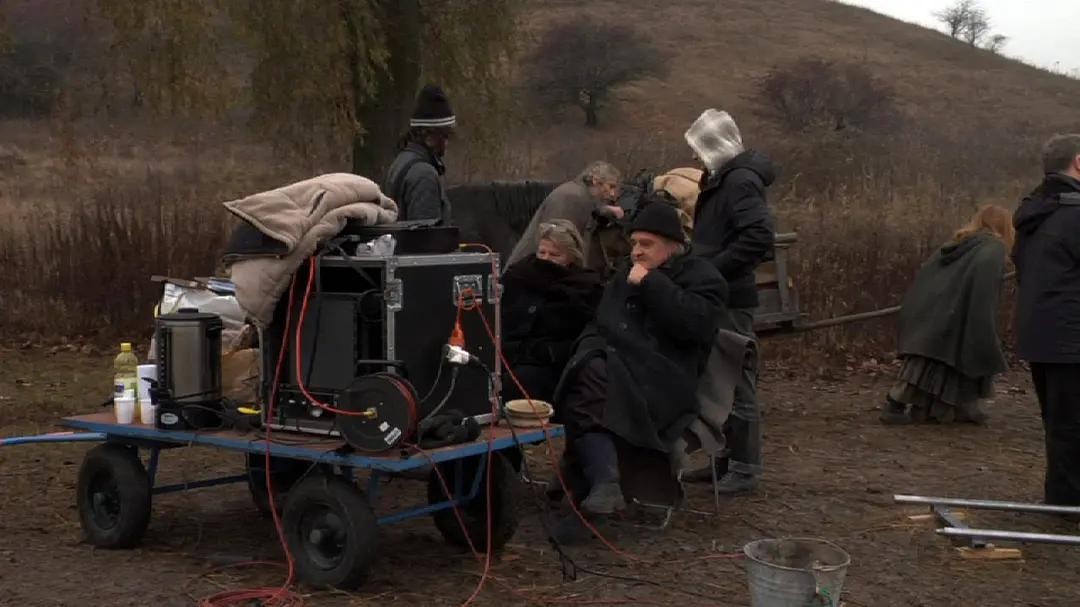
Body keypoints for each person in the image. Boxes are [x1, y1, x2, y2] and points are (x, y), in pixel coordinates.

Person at [554, 201, 728, 515]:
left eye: (647, 244)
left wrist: (651, 283)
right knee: (585, 372)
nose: (636, 251)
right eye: (634, 243)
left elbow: (695, 326)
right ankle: (602, 480)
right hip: (615, 366)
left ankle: (595, 474)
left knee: (587, 385)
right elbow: (601, 322)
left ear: (672, 246)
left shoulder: (703, 277)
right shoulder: (625, 274)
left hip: (665, 377)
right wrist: (588, 349)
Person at [681, 109, 775, 493]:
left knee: (736, 380)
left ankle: (745, 467)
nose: (694, 156)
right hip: (718, 293)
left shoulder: (740, 182)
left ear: (715, 145)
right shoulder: (724, 178)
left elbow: (758, 237)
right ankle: (723, 459)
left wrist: (712, 270)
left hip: (730, 297)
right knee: (717, 380)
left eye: (699, 147)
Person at [879, 205, 1014, 426]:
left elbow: (931, 272)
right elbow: (983, 290)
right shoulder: (993, 249)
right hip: (952, 312)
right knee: (930, 362)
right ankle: (894, 404)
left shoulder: (957, 243)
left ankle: (955, 408)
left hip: (935, 308)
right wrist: (983, 324)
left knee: (940, 359)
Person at [1012, 133, 1080, 507]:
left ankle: (1062, 499)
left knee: (1060, 423)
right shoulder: (1074, 213)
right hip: (1071, 336)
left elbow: (1022, 269)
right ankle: (1068, 503)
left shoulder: (1036, 212)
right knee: (1070, 425)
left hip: (1042, 333)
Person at [501, 220, 604, 404]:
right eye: (542, 252)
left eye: (555, 255)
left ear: (571, 257)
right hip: (508, 354)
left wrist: (549, 352)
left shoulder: (584, 288)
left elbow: (584, 337)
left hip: (549, 364)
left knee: (518, 383)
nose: (546, 259)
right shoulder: (518, 275)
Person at [507, 161, 625, 274]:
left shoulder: (578, 195)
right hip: (531, 275)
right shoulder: (571, 198)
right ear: (595, 181)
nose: (613, 194)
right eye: (611, 186)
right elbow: (556, 242)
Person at [383, 84, 456, 224]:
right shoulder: (424, 175)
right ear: (428, 135)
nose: (447, 143)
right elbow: (426, 234)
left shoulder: (400, 161)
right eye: (446, 135)